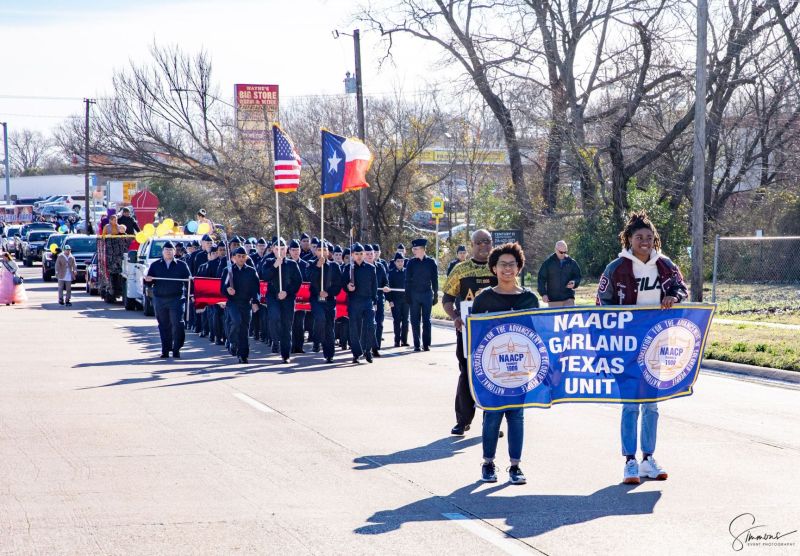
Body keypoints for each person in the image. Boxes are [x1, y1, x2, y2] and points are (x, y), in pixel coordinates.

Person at [597, 210, 688, 485]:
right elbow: (603, 302)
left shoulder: (665, 265)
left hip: (657, 344)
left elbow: (681, 288)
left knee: (651, 405)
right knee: (630, 405)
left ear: (654, 239)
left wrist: (672, 295)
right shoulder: (617, 267)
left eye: (649, 237)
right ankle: (630, 461)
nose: (645, 241)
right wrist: (610, 339)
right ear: (629, 239)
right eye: (639, 237)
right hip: (625, 345)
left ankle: (649, 457)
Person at [472, 242, 539, 484]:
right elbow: (475, 336)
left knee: (516, 416)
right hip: (491, 371)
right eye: (502, 265)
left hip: (519, 370)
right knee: (492, 416)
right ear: (493, 269)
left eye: (512, 265)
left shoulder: (529, 299)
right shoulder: (484, 299)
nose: (507, 269)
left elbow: (537, 334)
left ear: (519, 268)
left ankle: (515, 467)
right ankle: (488, 463)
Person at [442, 229, 497, 436]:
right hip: (468, 332)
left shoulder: (498, 267)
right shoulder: (460, 269)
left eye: (487, 241)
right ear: (472, 244)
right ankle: (463, 420)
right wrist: (455, 317)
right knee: (467, 373)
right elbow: (447, 299)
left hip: (494, 333)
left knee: (492, 375)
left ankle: (491, 422)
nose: (484, 246)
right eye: (479, 242)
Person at [144, 241, 191, 358]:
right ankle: (165, 349)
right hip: (160, 299)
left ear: (174, 252)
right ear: (163, 252)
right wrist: (147, 280)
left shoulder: (181, 265)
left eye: (171, 250)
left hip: (176, 298)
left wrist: (192, 295)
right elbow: (149, 283)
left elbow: (189, 282)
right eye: (166, 250)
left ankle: (176, 348)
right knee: (163, 325)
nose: (168, 252)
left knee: (178, 324)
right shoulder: (155, 265)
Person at [260, 239, 302, 363]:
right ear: (273, 249)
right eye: (277, 248)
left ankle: (285, 354)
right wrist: (275, 266)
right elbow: (265, 277)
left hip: (288, 298)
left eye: (283, 248)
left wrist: (287, 292)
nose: (280, 251)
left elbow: (298, 281)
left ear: (286, 249)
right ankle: (275, 340)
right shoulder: (268, 262)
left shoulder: (292, 264)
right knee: (274, 317)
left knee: (286, 325)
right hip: (273, 296)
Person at [220, 247, 261, 364]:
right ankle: (232, 341)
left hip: (246, 303)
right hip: (233, 303)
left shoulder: (251, 271)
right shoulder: (228, 271)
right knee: (236, 321)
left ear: (246, 257)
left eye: (243, 256)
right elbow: (222, 288)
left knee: (244, 329)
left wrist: (255, 302)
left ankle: (243, 355)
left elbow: (256, 289)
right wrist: (228, 289)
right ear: (234, 257)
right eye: (239, 256)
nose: (241, 259)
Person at [309, 242, 343, 363]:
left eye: (324, 250)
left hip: (329, 300)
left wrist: (329, 293)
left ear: (328, 252)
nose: (322, 252)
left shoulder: (334, 266)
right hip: (316, 300)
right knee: (320, 319)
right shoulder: (311, 264)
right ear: (316, 252)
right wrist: (318, 267)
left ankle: (329, 354)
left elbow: (338, 285)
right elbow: (310, 280)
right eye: (319, 250)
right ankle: (317, 339)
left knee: (329, 327)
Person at [404, 238, 439, 352]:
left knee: (426, 320)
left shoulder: (431, 262)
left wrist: (436, 294)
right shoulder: (411, 263)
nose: (414, 251)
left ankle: (426, 344)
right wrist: (407, 295)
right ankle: (417, 344)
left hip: (427, 294)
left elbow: (435, 279)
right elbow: (407, 280)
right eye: (413, 249)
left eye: (416, 248)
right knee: (415, 320)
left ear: (423, 249)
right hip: (414, 294)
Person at [346, 243, 377, 364]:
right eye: (356, 254)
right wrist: (348, 286)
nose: (359, 256)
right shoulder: (349, 268)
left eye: (361, 254)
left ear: (364, 254)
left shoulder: (370, 268)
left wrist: (374, 301)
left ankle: (368, 350)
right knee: (355, 328)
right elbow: (344, 284)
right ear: (352, 255)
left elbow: (374, 286)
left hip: (367, 301)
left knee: (370, 326)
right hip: (354, 301)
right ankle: (356, 353)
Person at [537, 240, 582, 307]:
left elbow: (578, 276)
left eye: (565, 252)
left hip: (568, 298)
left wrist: (574, 282)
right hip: (553, 300)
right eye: (561, 252)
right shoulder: (548, 263)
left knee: (569, 317)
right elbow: (541, 279)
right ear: (555, 250)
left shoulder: (572, 262)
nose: (563, 254)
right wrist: (543, 294)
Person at [365, 244, 390, 357]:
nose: (370, 256)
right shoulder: (361, 267)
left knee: (379, 323)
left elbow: (386, 281)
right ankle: (366, 346)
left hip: (379, 298)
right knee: (368, 324)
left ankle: (376, 347)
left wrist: (385, 287)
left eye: (372, 254)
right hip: (366, 298)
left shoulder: (380, 267)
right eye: (368, 254)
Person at [387, 252, 409, 347]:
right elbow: (388, 288)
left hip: (406, 300)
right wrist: (390, 300)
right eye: (398, 261)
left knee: (405, 321)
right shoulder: (391, 273)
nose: (400, 263)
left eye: (402, 261)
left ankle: (404, 340)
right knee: (397, 320)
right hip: (395, 301)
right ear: (395, 262)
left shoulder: (407, 272)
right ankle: (397, 340)